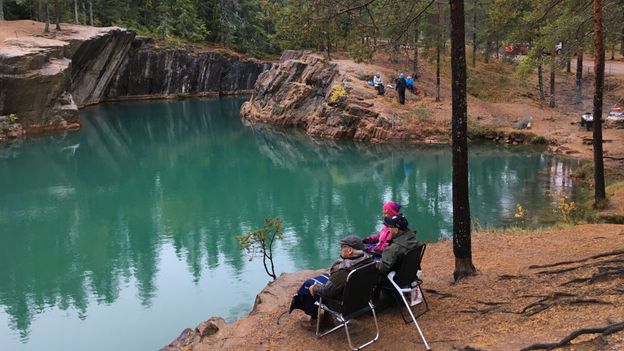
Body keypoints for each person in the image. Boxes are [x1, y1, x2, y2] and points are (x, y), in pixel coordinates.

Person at [289, 236, 373, 320]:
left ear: (350, 251)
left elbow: (327, 292)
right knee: (325, 279)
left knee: (308, 285)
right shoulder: (370, 261)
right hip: (363, 301)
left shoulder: (344, 271)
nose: (341, 249)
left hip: (343, 305)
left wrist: (315, 288)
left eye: (342, 247)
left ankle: (314, 319)